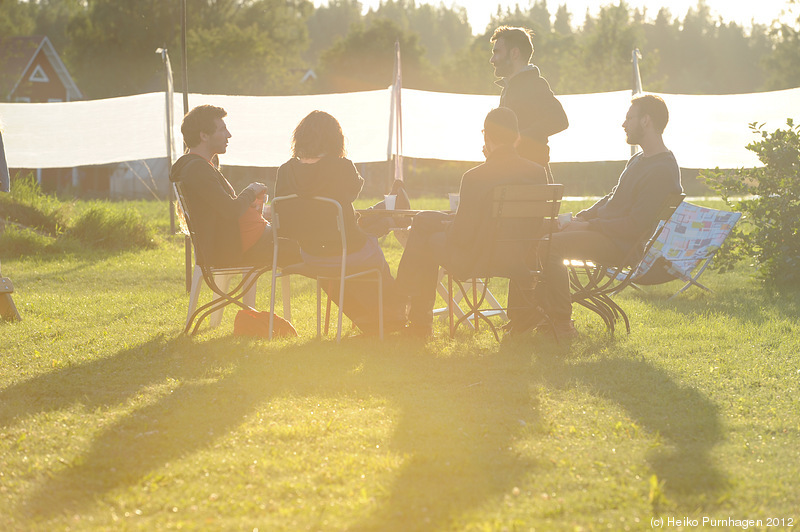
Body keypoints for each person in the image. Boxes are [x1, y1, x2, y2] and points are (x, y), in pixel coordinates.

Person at [396, 107, 548, 337]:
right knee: (424, 220)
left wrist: (449, 224)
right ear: (516, 136)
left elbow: (462, 237)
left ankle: (415, 318)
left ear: (487, 136)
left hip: (479, 258)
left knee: (424, 237)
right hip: (519, 256)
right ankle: (407, 309)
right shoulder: (537, 172)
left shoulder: (476, 176)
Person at [541, 94, 683, 338]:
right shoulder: (639, 159)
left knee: (549, 246)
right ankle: (533, 315)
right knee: (539, 233)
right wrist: (583, 218)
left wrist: (589, 226)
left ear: (646, 121)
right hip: (605, 232)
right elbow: (613, 198)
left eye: (630, 117)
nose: (624, 123)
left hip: (621, 245)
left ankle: (562, 323)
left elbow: (635, 225)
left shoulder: (661, 169)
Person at [274, 110, 407, 335]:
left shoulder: (285, 170)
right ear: (335, 138)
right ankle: (398, 316)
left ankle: (372, 321)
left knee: (358, 235)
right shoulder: (341, 166)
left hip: (311, 253)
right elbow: (353, 191)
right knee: (373, 254)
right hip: (349, 250)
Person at [170, 104, 300, 268]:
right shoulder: (197, 169)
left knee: (312, 240)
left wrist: (249, 203)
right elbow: (231, 210)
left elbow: (223, 208)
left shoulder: (198, 166)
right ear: (204, 135)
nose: (228, 135)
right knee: (313, 249)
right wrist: (251, 191)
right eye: (222, 130)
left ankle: (337, 292)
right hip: (246, 248)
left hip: (251, 241)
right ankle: (339, 292)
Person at [489, 26, 568, 176]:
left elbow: (560, 119)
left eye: (497, 52)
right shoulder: (508, 88)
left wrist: (520, 138)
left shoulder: (534, 84)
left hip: (531, 177)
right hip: (513, 173)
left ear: (514, 53)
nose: (492, 59)